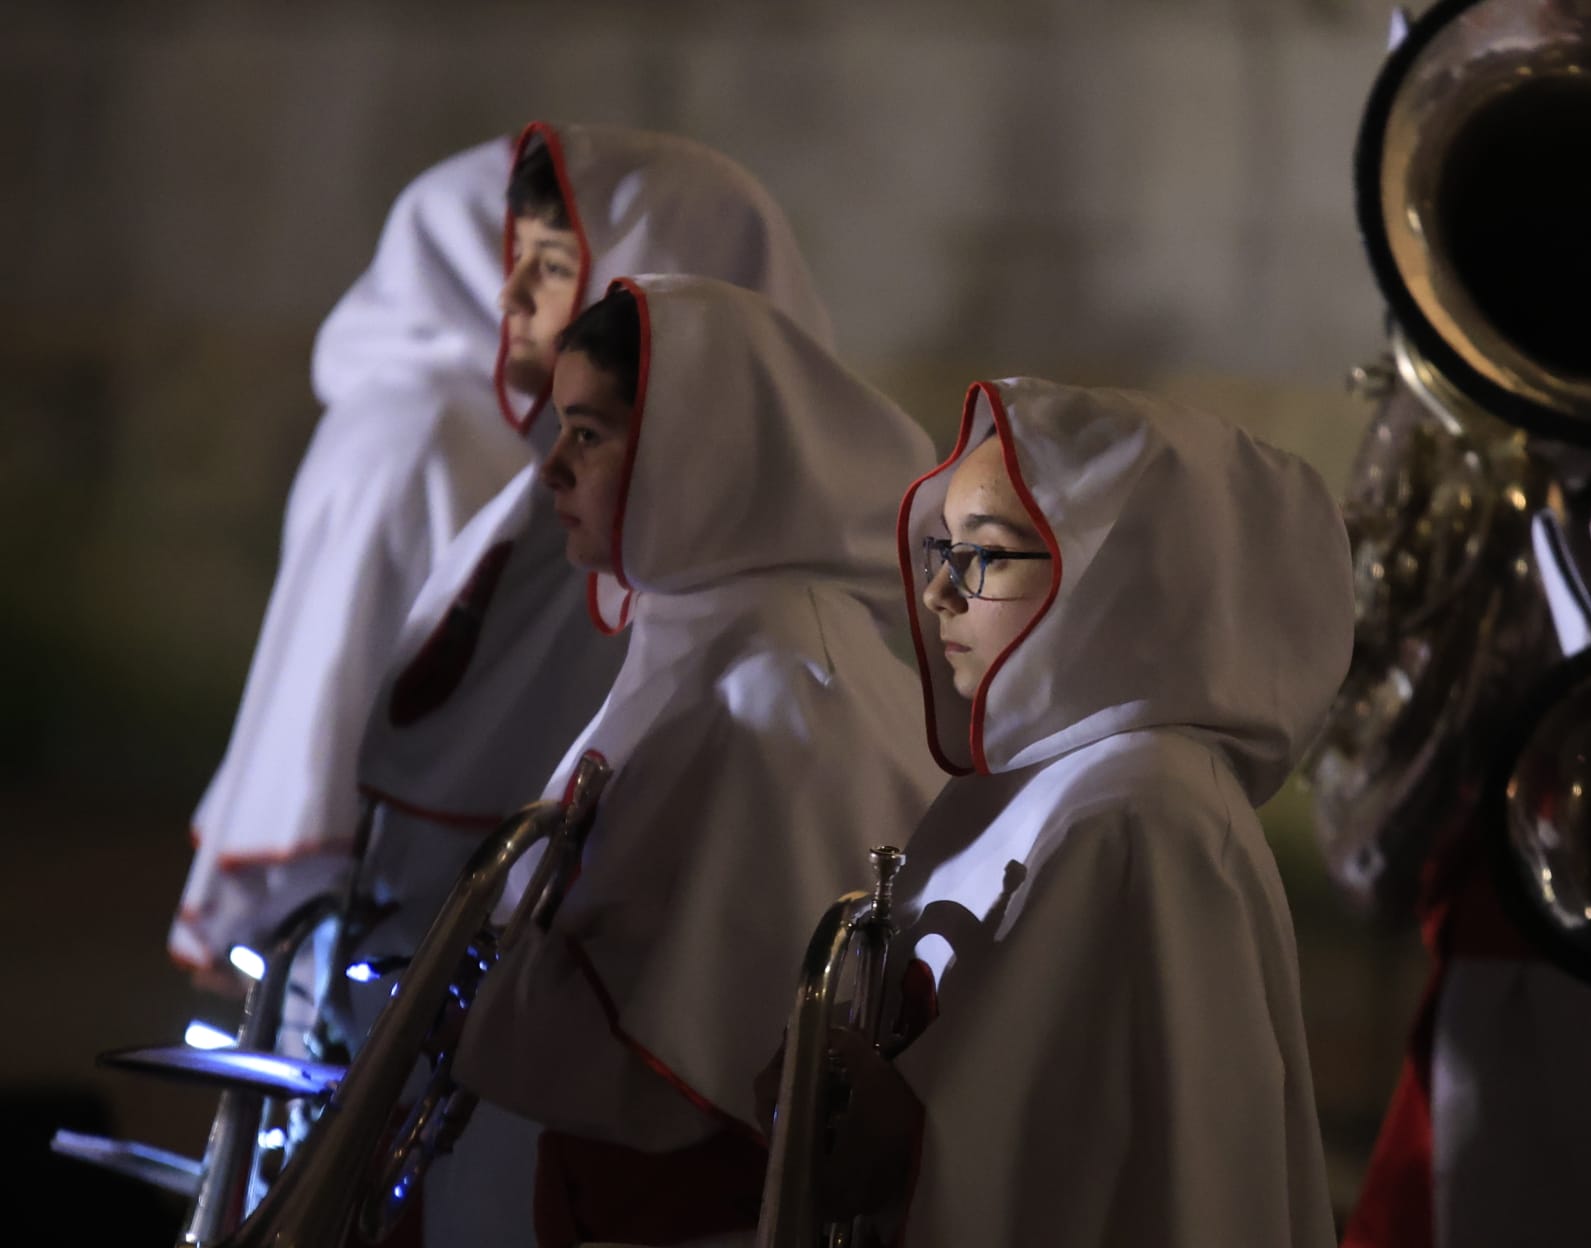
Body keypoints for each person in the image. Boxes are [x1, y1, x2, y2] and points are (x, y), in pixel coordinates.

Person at [335, 125, 845, 1248]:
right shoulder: (657, 605)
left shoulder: (770, 682)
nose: (509, 290)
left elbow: (685, 1017)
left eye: (554, 260)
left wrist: (468, 1016)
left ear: (690, 438)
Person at [450, 277, 942, 1248]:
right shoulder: (711, 630)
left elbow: (709, 1057)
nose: (552, 469)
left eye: (589, 433)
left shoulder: (778, 687)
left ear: (693, 454)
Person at [813, 378, 1352, 1247]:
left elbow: (1160, 1181)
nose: (938, 597)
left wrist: (888, 1126)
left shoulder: (1150, 817)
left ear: (1125, 570)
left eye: (981, 556)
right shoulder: (1054, 789)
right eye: (940, 553)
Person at [171, 137, 527, 978]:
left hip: (351, 873)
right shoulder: (433, 433)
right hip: (370, 884)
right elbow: (366, 665)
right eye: (531, 260)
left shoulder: (404, 407)